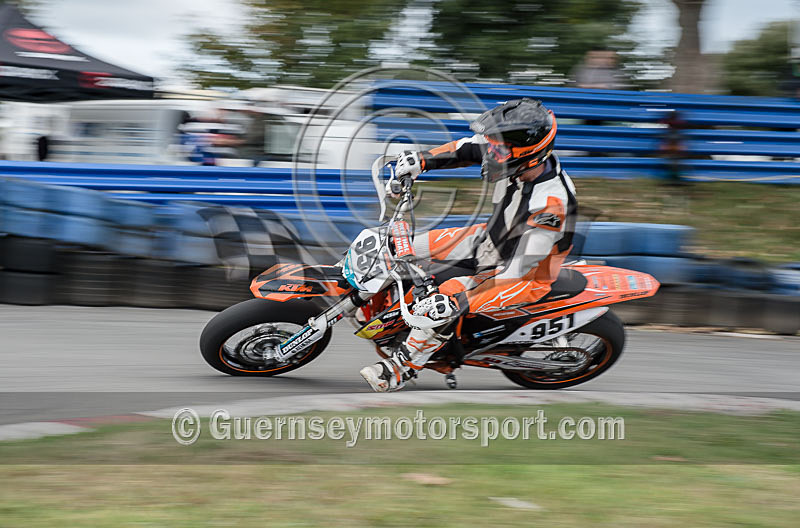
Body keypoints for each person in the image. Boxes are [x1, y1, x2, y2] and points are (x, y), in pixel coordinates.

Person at [360, 98, 578, 392]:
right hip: (487, 239)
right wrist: (420, 160)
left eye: (497, 148)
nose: (489, 152)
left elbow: (519, 269)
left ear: (528, 155)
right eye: (492, 144)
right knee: (397, 245)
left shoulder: (550, 205)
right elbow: (467, 147)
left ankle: (401, 369)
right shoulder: (511, 157)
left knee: (443, 302)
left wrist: (459, 298)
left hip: (519, 274)